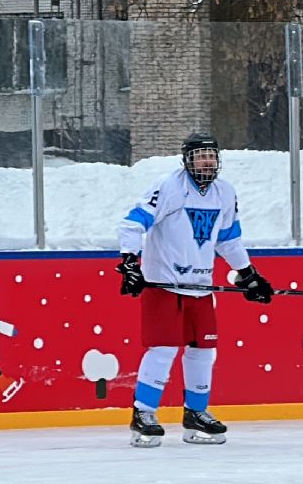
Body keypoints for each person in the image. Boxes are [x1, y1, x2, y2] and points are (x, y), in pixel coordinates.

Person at [117, 132, 273, 447]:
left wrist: (247, 274)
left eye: (211, 155)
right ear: (186, 159)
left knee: (204, 352)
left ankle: (195, 414)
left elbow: (228, 239)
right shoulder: (169, 187)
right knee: (162, 350)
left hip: (201, 289)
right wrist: (130, 263)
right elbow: (133, 223)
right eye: (200, 155)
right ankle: (143, 414)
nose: (207, 161)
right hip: (165, 286)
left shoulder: (225, 193)